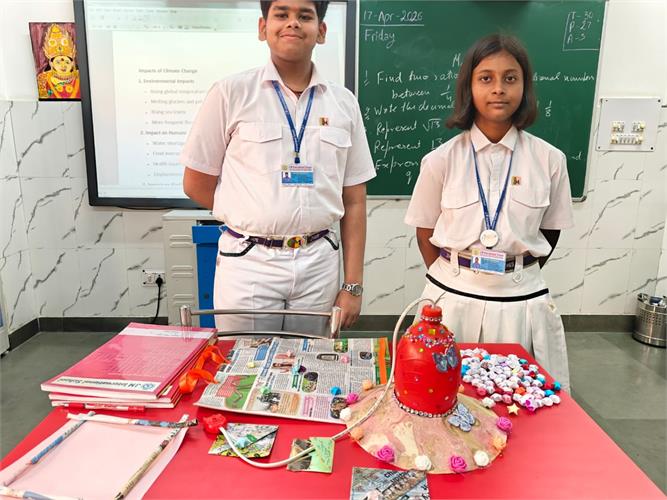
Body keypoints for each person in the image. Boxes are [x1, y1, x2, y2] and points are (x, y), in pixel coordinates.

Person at [180, 0, 375, 335]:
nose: (293, 23)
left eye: (305, 16)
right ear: (263, 28)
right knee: (243, 359)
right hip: (249, 261)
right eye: (281, 14)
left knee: (311, 358)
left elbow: (354, 200)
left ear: (321, 31)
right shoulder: (231, 93)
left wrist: (353, 285)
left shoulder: (343, 103)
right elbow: (196, 181)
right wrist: (250, 213)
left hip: (318, 262)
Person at [405, 34, 574, 389]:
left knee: (518, 400)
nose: (499, 88)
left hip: (520, 301)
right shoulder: (440, 160)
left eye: (510, 78)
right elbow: (424, 233)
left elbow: (550, 232)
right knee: (443, 396)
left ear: (525, 87)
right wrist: (456, 277)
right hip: (452, 299)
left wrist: (514, 271)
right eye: (486, 78)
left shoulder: (550, 160)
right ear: (469, 87)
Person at [35, 24, 80, 100]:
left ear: (72, 63)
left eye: (67, 62)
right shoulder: (43, 80)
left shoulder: (79, 77)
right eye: (58, 62)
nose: (63, 65)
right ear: (51, 63)